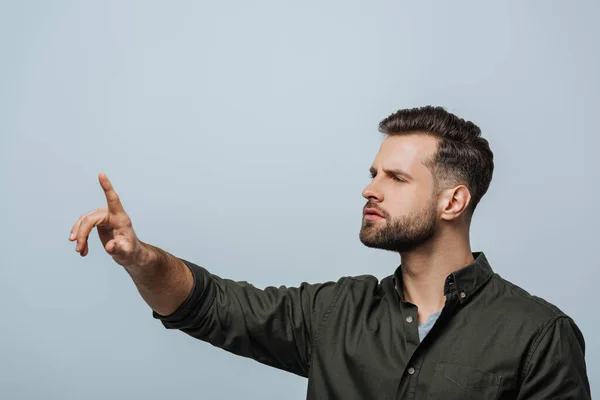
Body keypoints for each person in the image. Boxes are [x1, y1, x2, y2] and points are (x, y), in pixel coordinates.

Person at [69, 106, 590, 399]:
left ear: (453, 200)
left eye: (396, 178)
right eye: (372, 174)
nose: (370, 189)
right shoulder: (332, 313)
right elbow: (208, 306)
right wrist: (141, 259)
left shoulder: (538, 336)